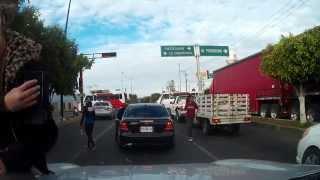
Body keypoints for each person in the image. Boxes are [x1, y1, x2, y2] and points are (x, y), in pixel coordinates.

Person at [0, 0, 58, 176]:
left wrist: (7, 160)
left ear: (2, 19)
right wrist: (4, 105)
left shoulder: (28, 66)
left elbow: (44, 133)